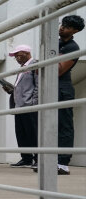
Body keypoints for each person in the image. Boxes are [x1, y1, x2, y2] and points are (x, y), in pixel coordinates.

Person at [54, 15, 83, 175]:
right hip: (50, 87)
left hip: (63, 88)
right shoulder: (56, 43)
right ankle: (50, 159)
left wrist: (52, 58)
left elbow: (58, 71)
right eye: (62, 24)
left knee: (64, 124)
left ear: (75, 31)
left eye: (67, 26)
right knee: (50, 124)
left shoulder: (72, 47)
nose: (62, 27)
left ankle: (63, 163)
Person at [5, 45, 38, 169]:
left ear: (26, 53)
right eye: (16, 57)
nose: (17, 58)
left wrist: (34, 103)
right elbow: (21, 87)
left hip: (29, 106)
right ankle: (26, 158)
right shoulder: (22, 68)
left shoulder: (35, 64)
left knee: (33, 133)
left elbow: (38, 85)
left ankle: (37, 158)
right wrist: (11, 90)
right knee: (21, 133)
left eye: (19, 55)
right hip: (19, 105)